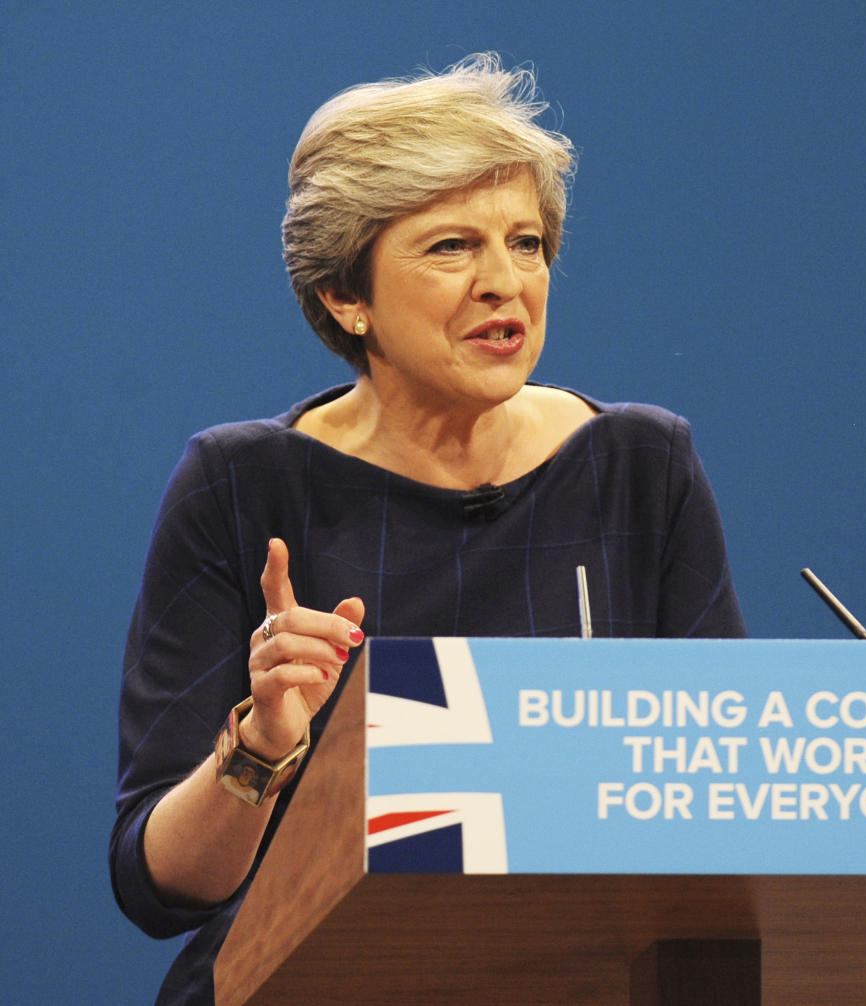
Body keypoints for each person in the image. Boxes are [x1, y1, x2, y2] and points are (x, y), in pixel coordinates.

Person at [111, 54, 745, 1005]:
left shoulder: (640, 467)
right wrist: (263, 749)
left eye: (526, 244)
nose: (505, 283)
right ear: (346, 296)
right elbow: (156, 886)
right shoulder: (243, 485)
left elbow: (718, 807)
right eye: (452, 247)